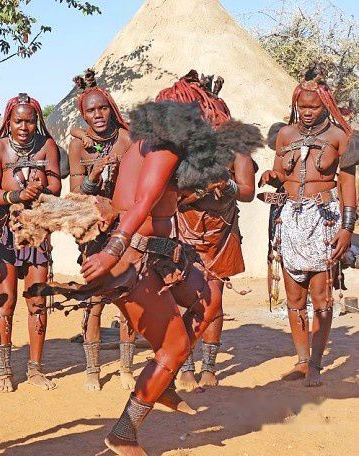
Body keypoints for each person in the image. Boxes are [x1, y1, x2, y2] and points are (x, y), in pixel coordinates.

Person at [22, 70, 262, 455]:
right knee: (175, 347)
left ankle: (162, 381)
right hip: (132, 255)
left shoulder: (156, 144)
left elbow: (166, 197)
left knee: (208, 299)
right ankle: (124, 432)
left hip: (156, 251)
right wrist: (112, 251)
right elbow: (143, 204)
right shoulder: (163, 148)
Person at [259, 64, 355, 387]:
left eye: (314, 107)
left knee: (321, 297)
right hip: (289, 219)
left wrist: (347, 228)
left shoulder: (339, 137)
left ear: (325, 105)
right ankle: (301, 361)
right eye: (302, 106)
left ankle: (315, 363)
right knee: (294, 297)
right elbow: (279, 174)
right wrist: (272, 177)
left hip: (323, 220)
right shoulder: (285, 135)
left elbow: (348, 186)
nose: (308, 112)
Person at [174, 73, 256, 391]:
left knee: (214, 299)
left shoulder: (237, 149)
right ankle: (185, 365)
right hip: (184, 228)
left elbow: (247, 191)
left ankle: (209, 366)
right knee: (183, 298)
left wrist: (227, 184)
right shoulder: (182, 148)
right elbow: (170, 189)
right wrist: (197, 192)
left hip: (220, 232)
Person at [0, 93, 61, 392]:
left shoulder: (47, 146)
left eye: (30, 121)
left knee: (37, 300)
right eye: (18, 121)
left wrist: (42, 190)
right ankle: (3, 370)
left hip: (37, 232)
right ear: (9, 121)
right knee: (6, 301)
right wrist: (16, 195)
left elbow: (56, 184)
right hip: (6, 232)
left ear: (36, 121)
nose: (24, 127)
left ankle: (35, 369)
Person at [67, 69, 137, 391]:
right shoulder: (78, 145)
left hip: (124, 226)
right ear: (84, 115)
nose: (98, 115)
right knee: (94, 299)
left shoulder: (127, 139)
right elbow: (76, 193)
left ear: (111, 109)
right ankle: (92, 369)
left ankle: (126, 368)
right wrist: (94, 176)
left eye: (103, 108)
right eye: (91, 110)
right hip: (94, 229)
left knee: (127, 297)